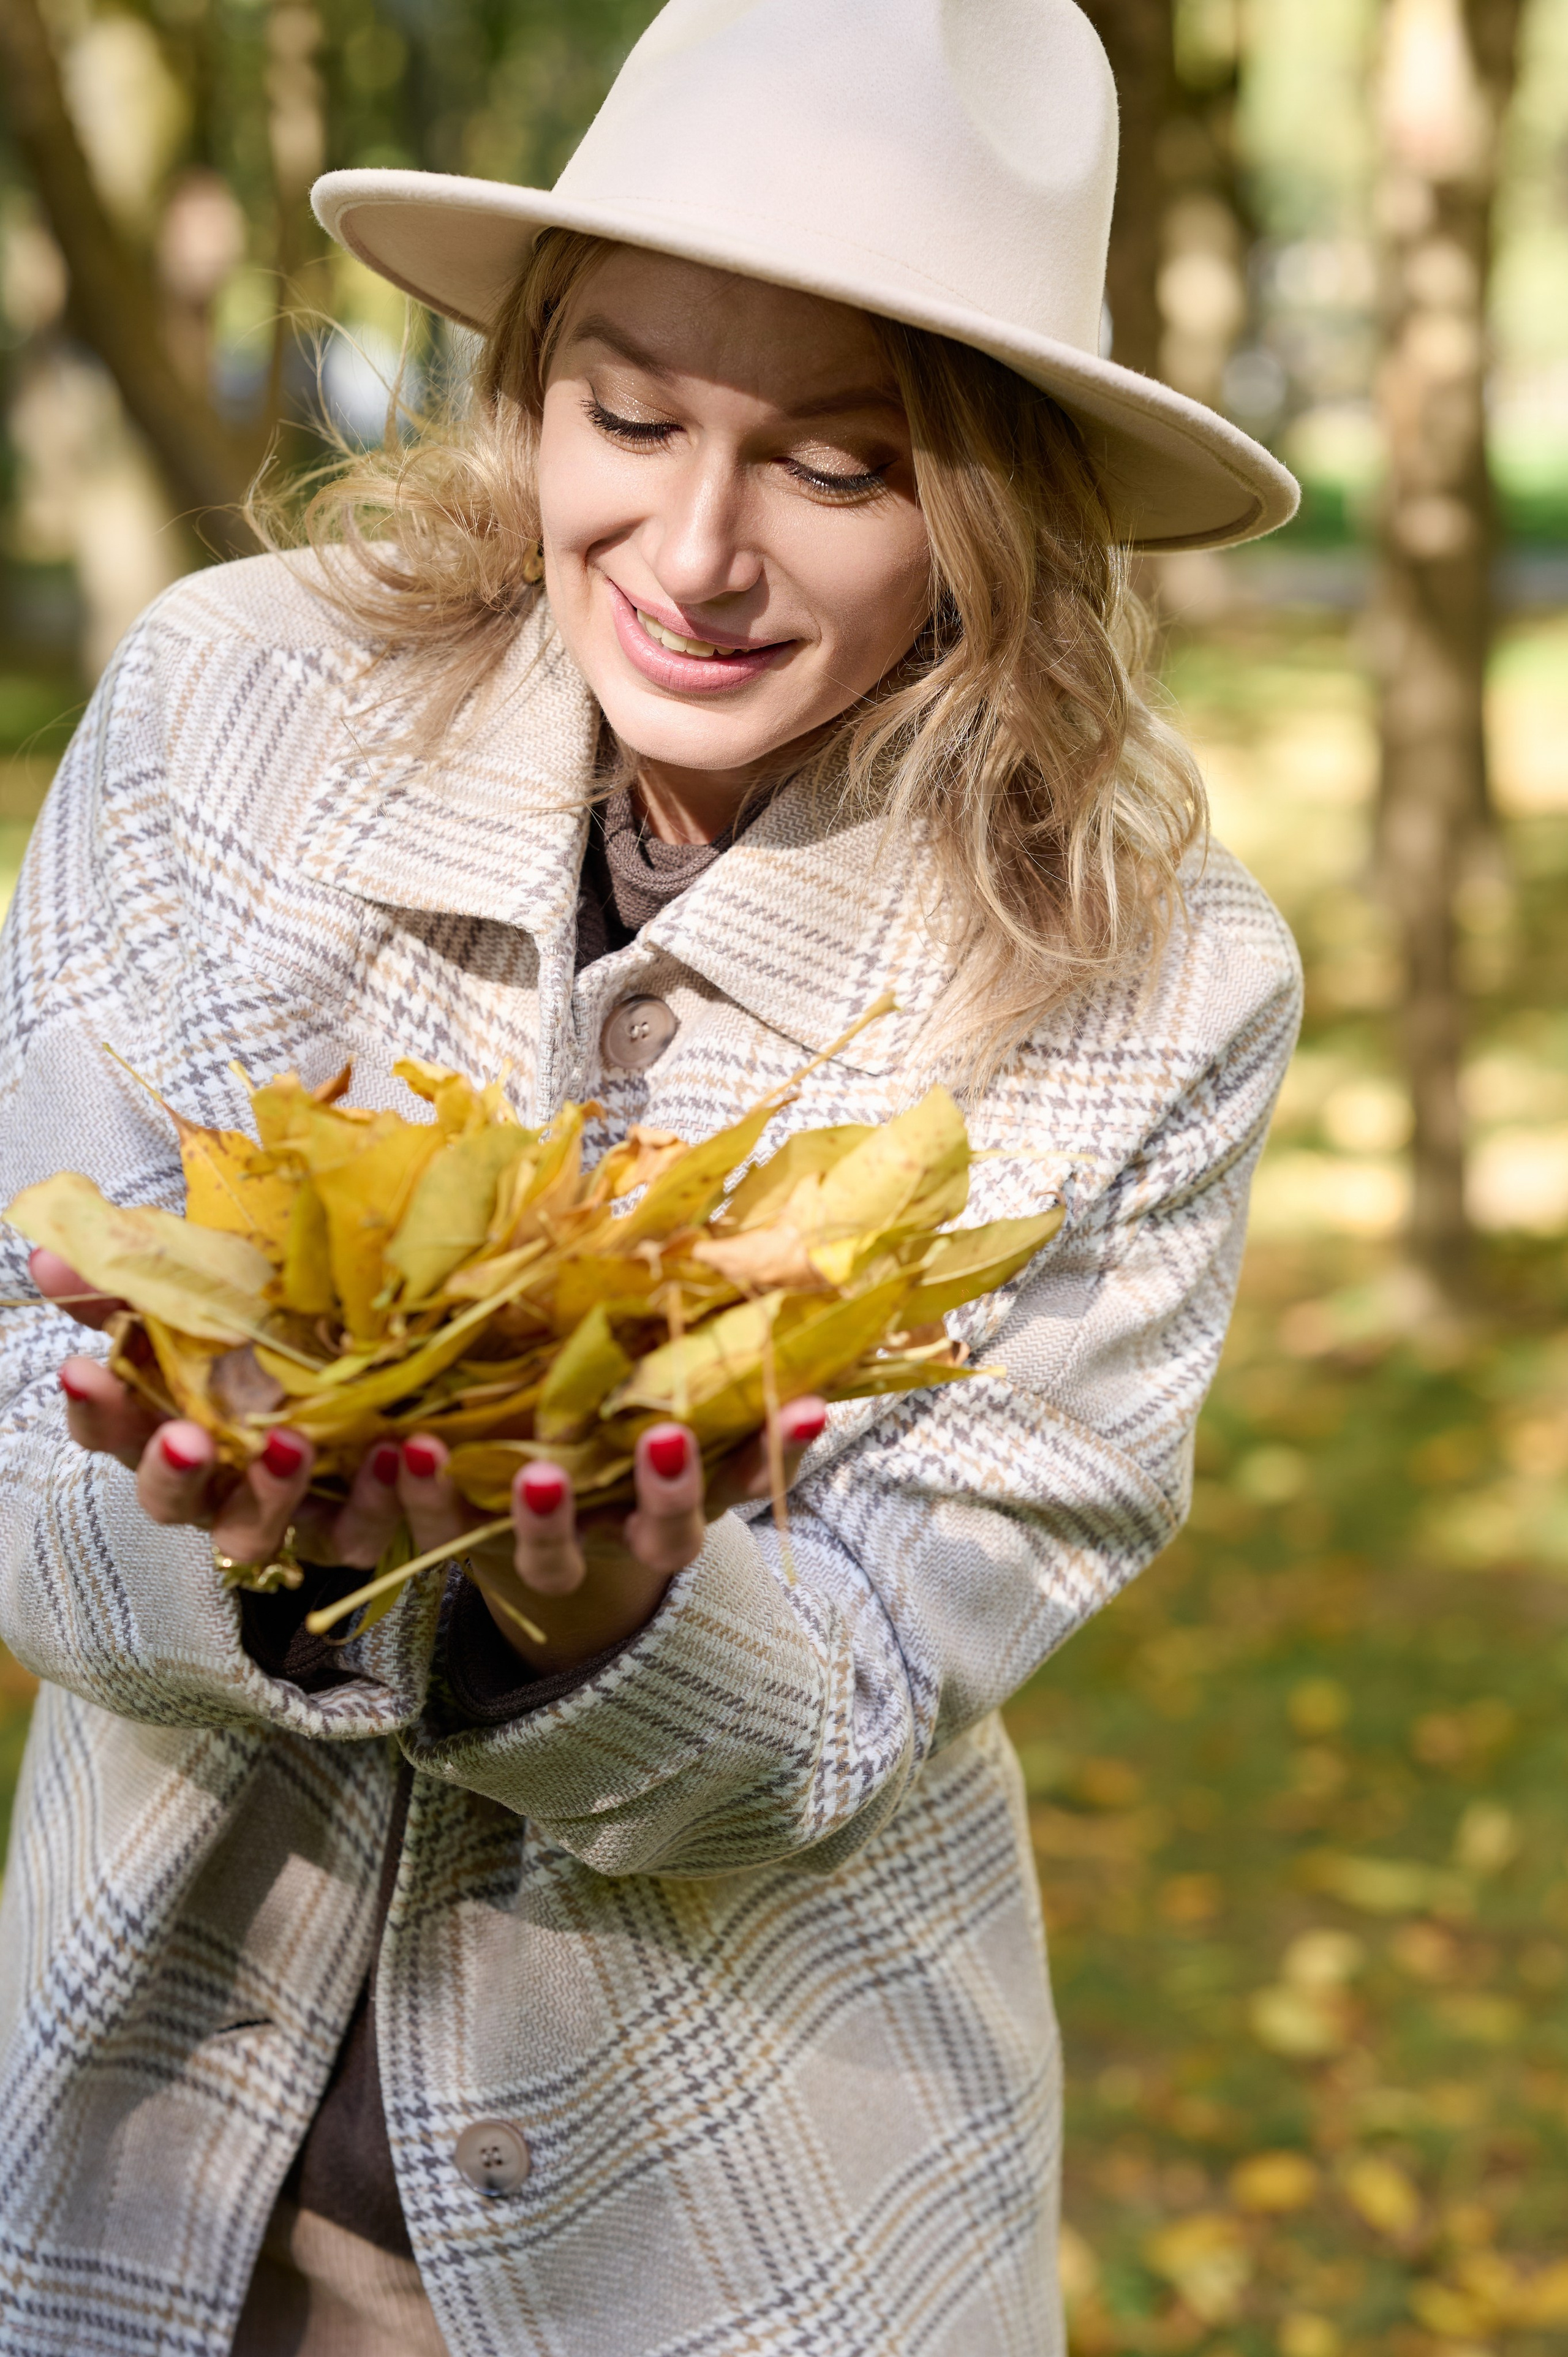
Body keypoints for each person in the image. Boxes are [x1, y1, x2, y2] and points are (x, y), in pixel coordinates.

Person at [0, 1, 1303, 2351]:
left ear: (995, 505)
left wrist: (598, 1622)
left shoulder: (1146, 981)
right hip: (138, 2175)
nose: (691, 554)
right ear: (528, 383)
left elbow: (869, 1674)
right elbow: (22, 1413)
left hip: (742, 2250)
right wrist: (244, 1533)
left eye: (837, 464)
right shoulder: (227, 715)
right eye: (630, 415)